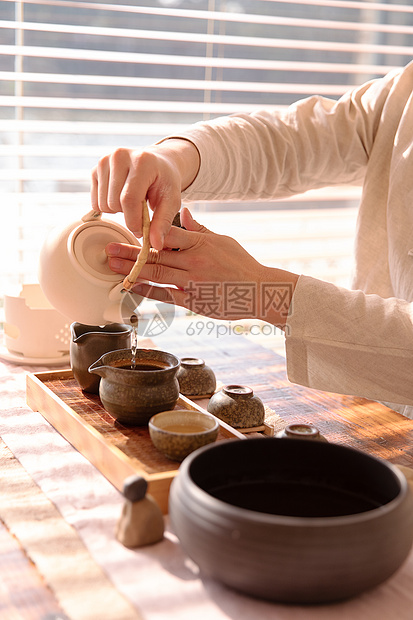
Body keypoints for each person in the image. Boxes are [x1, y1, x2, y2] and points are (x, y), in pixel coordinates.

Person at [91, 61, 413, 419]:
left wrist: (261, 291)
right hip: (375, 405)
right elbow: (290, 140)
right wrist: (174, 157)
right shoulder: (404, 92)